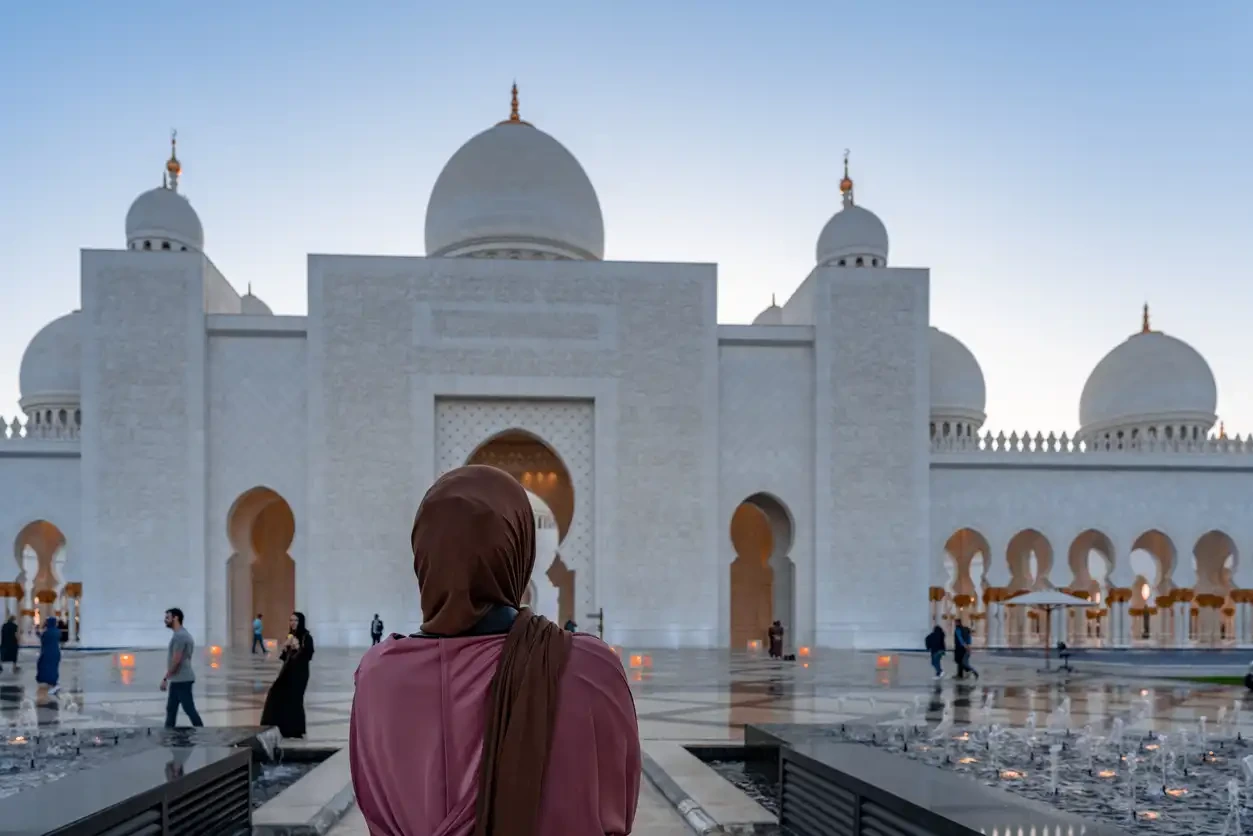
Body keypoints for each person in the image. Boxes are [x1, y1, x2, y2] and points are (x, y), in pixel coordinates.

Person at [350, 465, 641, 836]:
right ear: (518, 550)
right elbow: (616, 810)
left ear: (422, 556)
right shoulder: (590, 669)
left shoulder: (377, 678)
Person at [261, 611, 315, 738]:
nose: (293, 623)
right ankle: (278, 725)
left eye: (295, 620)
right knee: (276, 693)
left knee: (295, 699)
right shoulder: (291, 635)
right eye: (291, 620)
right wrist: (285, 648)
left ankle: (296, 730)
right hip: (287, 671)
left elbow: (308, 655)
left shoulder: (306, 637)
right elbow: (285, 657)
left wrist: (297, 647)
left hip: (300, 673)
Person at [161, 608, 204, 727]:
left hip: (182, 679)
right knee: (171, 709)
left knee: (189, 709)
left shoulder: (179, 637)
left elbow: (176, 660)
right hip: (178, 679)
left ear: (176, 618)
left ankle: (201, 732)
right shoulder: (183, 634)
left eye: (167, 618)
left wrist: (165, 678)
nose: (165, 620)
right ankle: (168, 734)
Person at [36, 617, 61, 695]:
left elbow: (43, 640)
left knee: (45, 667)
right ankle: (53, 684)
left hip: (47, 652)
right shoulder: (57, 631)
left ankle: (53, 685)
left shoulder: (47, 632)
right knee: (53, 668)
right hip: (55, 652)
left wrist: (42, 628)